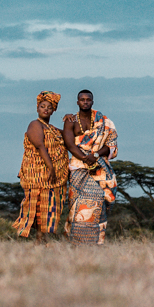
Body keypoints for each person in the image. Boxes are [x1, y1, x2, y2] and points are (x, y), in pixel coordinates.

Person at [62, 89, 119, 245]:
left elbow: (111, 144)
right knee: (77, 205)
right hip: (78, 167)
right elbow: (69, 144)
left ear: (92, 102)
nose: (85, 102)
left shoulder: (104, 122)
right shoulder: (70, 120)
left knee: (102, 201)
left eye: (88, 99)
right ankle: (75, 242)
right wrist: (85, 159)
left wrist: (94, 156)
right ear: (77, 102)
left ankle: (96, 242)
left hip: (99, 165)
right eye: (82, 99)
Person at [13, 91, 72, 241]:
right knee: (39, 210)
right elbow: (40, 146)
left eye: (49, 107)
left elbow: (70, 136)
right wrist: (51, 168)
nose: (46, 109)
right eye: (42, 106)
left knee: (50, 211)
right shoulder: (35, 124)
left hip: (54, 179)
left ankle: (42, 244)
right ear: (37, 108)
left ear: (54, 110)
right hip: (39, 176)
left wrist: (70, 120)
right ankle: (38, 243)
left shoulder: (52, 129)